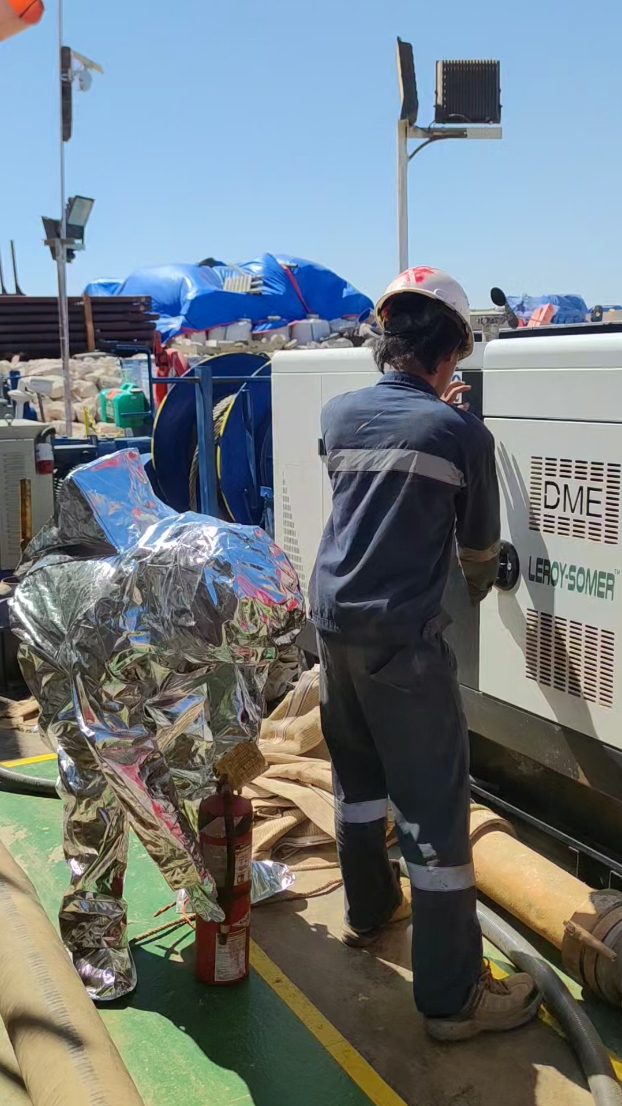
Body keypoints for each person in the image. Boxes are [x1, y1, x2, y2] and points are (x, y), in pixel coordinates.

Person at [309, 266, 540, 1041]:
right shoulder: (463, 434)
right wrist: (471, 592)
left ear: (387, 341)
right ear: (452, 352)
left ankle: (370, 912)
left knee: (359, 782)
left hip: (333, 623)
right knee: (434, 814)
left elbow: (373, 486)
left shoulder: (338, 413)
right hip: (403, 640)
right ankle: (452, 1000)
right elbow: (478, 553)